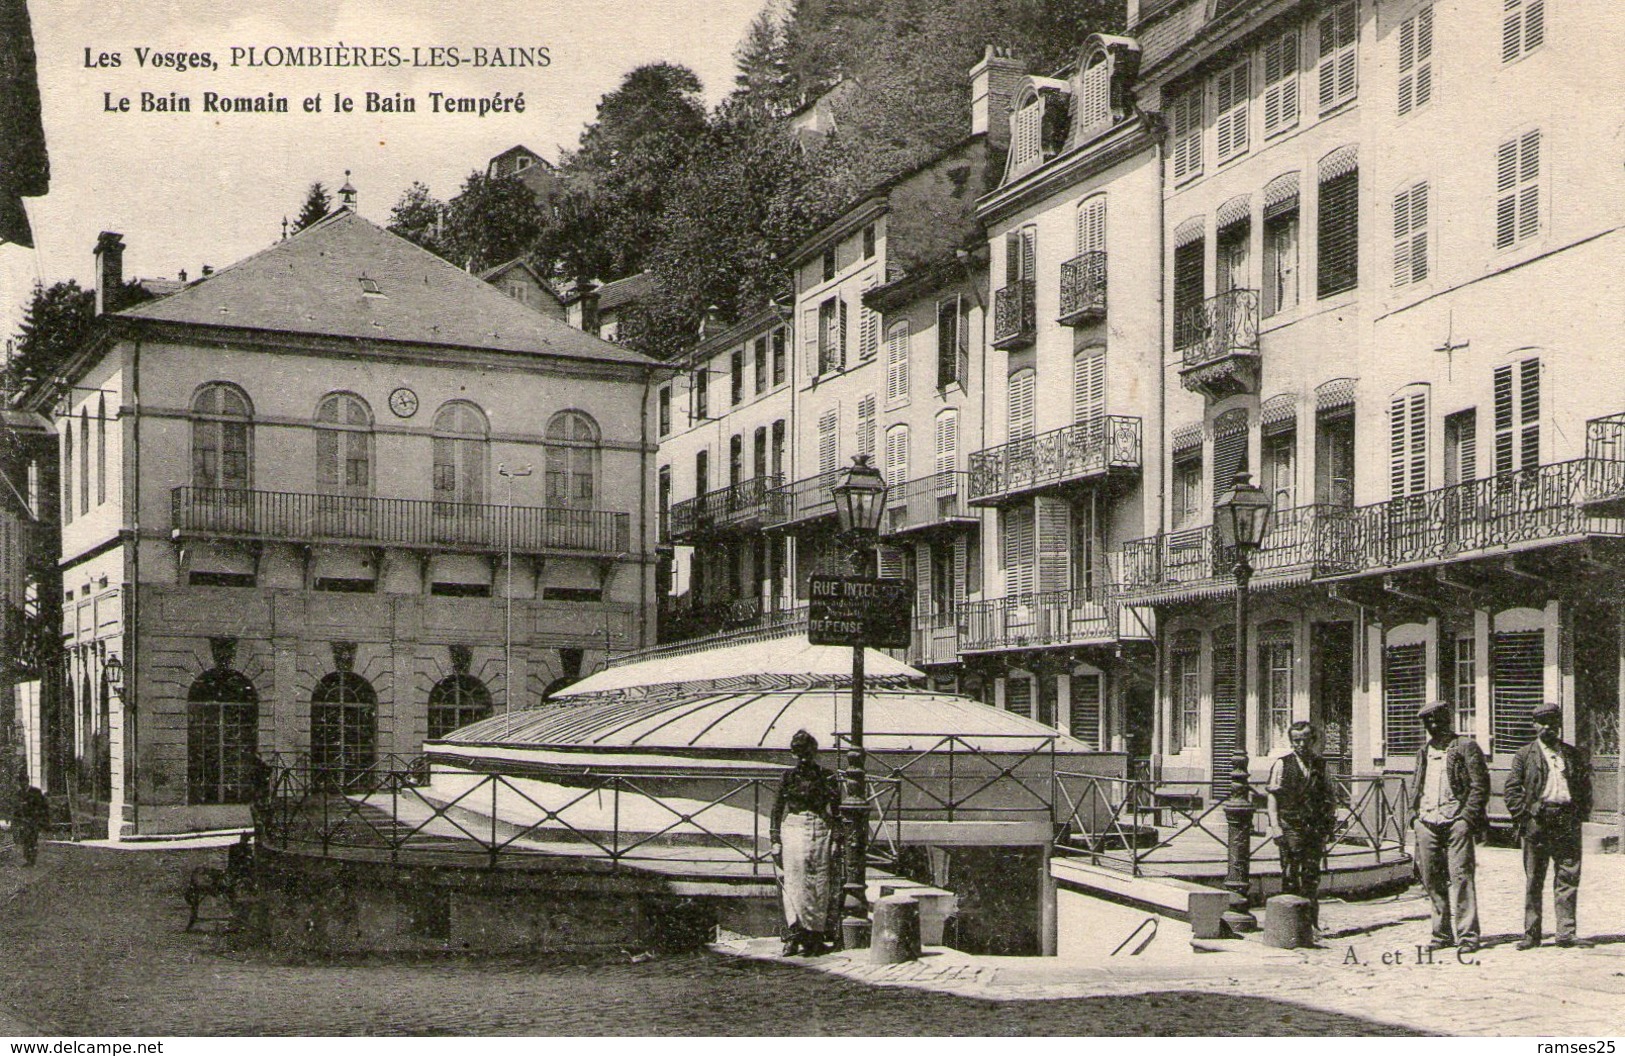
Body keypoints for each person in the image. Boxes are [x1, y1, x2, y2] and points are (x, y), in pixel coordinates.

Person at [1504, 702, 1592, 950]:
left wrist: (1579, 815)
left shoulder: (1571, 754)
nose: (1548, 728)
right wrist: (1524, 816)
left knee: (1568, 875)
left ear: (1559, 725)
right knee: (1534, 878)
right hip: (1538, 822)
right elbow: (1511, 790)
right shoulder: (1524, 755)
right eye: (1542, 723)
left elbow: (1585, 786)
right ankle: (1532, 934)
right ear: (1534, 725)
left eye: (1553, 723)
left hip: (1566, 821)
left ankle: (1566, 933)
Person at [1409, 699, 1490, 955]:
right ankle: (1441, 933)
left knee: (1461, 877)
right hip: (1427, 822)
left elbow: (1480, 786)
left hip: (1456, 822)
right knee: (1432, 879)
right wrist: (1413, 816)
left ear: (1448, 720)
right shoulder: (1424, 751)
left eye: (1438, 720)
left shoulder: (1465, 746)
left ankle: (1467, 936)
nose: (1434, 725)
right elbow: (1416, 784)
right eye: (1428, 722)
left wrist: (1466, 818)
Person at [770, 729, 841, 956]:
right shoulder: (787, 778)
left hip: (820, 829)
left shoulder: (827, 777)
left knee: (819, 884)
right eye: (798, 754)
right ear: (793, 754)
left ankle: (815, 936)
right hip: (793, 829)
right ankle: (793, 935)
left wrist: (837, 839)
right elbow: (776, 810)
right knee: (793, 882)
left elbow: (837, 811)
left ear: (814, 753)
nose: (803, 759)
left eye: (807, 754)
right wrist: (775, 840)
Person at [1266, 720, 1337, 929]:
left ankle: (1310, 924)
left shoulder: (1320, 765)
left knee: (1311, 875)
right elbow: (1273, 798)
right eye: (1297, 740)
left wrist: (1328, 824)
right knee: (1290, 871)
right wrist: (1275, 827)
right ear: (1291, 742)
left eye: (1305, 740)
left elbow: (1330, 797)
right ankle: (1289, 924)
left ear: (1312, 740)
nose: (1301, 744)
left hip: (1313, 828)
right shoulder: (1282, 764)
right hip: (1290, 826)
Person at [12, 776, 48, 867]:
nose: (22, 784)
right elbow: (16, 808)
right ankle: (28, 859)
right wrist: (15, 819)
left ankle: (32, 860)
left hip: (33, 820)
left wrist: (41, 819)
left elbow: (42, 806)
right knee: (24, 840)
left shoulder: (36, 792)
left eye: (23, 782)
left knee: (32, 840)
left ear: (27, 781)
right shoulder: (19, 793)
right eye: (20, 782)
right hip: (23, 821)